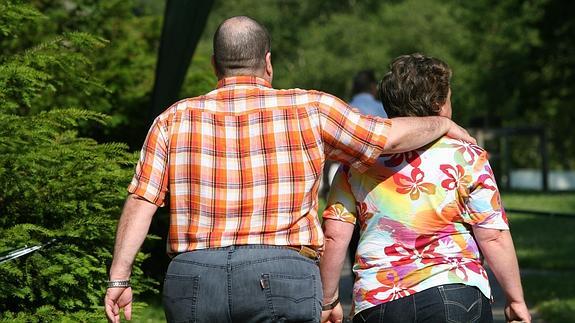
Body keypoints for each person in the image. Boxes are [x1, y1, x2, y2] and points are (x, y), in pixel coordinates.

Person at [103, 16, 475, 323]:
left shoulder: (172, 119)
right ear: (268, 62)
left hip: (195, 276)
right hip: (282, 274)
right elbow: (389, 138)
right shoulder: (310, 109)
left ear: (215, 65)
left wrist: (119, 276)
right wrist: (439, 124)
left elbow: (141, 201)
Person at [320, 53, 530, 323]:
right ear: (439, 104)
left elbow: (334, 236)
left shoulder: (358, 164)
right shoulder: (467, 157)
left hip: (380, 301)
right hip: (457, 293)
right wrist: (515, 299)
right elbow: (493, 237)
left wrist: (329, 299)